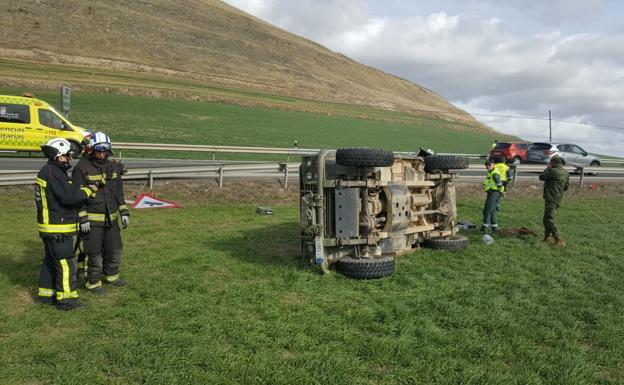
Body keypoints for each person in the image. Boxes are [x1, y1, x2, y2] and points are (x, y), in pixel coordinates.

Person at [35, 138, 97, 310]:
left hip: (49, 227)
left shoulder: (48, 171)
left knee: (50, 260)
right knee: (65, 264)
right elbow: (69, 197)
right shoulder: (54, 173)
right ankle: (67, 300)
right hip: (58, 228)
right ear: (57, 156)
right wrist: (88, 190)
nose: (69, 159)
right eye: (66, 156)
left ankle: (46, 295)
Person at [72, 132, 130, 294]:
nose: (102, 153)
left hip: (111, 219)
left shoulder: (113, 167)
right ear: (91, 149)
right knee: (93, 253)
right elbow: (77, 197)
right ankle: (94, 282)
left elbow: (118, 192)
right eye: (99, 149)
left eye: (106, 149)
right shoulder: (82, 169)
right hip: (92, 221)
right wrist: (83, 219)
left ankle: (112, 276)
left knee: (115, 249)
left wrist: (124, 212)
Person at [539, 156, 569, 246]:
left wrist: (547, 168)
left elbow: (541, 177)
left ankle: (558, 238)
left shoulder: (553, 171)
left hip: (551, 197)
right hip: (558, 197)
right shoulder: (566, 172)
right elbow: (566, 187)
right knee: (546, 218)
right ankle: (547, 237)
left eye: (551, 163)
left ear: (553, 163)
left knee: (549, 219)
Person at [481, 159, 503, 234]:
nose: (487, 166)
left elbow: (499, 185)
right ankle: (494, 228)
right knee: (492, 211)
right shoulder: (491, 172)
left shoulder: (494, 173)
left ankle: (484, 228)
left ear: (493, 164)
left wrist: (500, 193)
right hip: (492, 193)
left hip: (494, 193)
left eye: (488, 164)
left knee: (487, 210)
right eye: (486, 165)